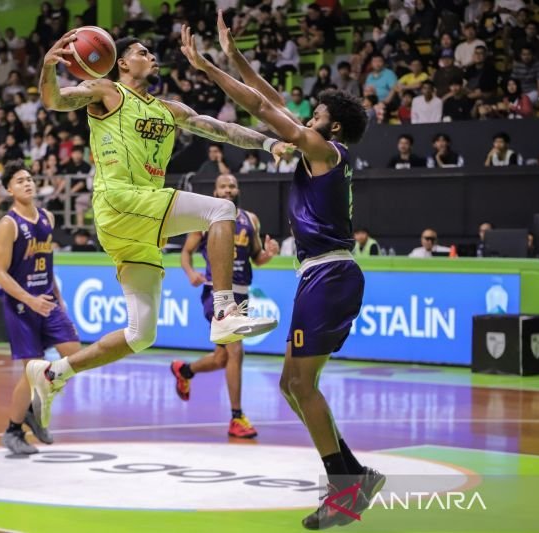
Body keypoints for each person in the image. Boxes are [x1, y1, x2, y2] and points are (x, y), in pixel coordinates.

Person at [179, 14, 384, 528]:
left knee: (301, 385)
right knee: (291, 384)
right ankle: (353, 474)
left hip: (330, 273)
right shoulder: (320, 147)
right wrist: (234, 56)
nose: (307, 117)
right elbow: (270, 96)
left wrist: (207, 68)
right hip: (318, 275)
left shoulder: (324, 150)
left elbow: (262, 108)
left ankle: (346, 487)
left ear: (332, 126)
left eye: (316, 114)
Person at [28, 31, 281, 433]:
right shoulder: (107, 91)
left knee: (141, 333)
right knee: (222, 209)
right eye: (142, 52)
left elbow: (221, 129)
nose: (152, 57)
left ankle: (53, 373)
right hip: (120, 200)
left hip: (137, 224)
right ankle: (224, 310)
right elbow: (55, 100)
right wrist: (47, 67)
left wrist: (269, 144)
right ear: (121, 62)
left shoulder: (168, 109)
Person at [173, 174, 280, 438]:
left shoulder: (250, 219)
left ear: (238, 190)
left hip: (242, 294)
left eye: (232, 186)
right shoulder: (205, 218)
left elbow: (257, 257)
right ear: (215, 192)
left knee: (222, 358)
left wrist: (269, 254)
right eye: (223, 186)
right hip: (216, 292)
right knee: (236, 350)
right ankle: (236, 417)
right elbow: (185, 252)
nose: (228, 189)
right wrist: (191, 273)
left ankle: (184, 370)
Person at [0, 162, 82, 455]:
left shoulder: (47, 217)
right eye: (20, 181)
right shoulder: (8, 224)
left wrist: (58, 298)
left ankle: (34, 408)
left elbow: (46, 263)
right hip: (21, 306)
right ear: (9, 189)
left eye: (29, 179)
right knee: (32, 371)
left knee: (76, 355)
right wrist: (29, 300)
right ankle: (13, 430)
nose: (27, 183)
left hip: (47, 300)